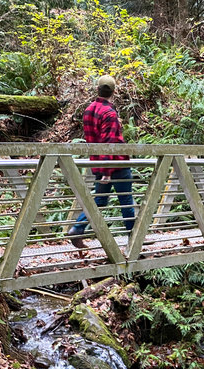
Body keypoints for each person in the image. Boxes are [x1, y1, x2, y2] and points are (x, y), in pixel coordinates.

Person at [68, 75, 134, 249]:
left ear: (97, 89)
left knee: (100, 200)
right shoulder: (109, 113)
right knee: (126, 200)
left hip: (98, 163)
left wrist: (102, 169)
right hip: (115, 165)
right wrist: (106, 172)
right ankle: (135, 239)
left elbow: (94, 139)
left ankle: (77, 228)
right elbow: (109, 144)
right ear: (114, 92)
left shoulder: (89, 110)